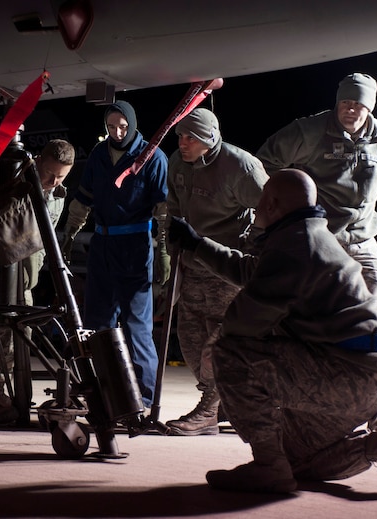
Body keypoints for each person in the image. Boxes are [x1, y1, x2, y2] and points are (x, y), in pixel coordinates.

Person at [168, 168, 377, 495]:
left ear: (273, 204)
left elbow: (244, 323)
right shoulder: (306, 235)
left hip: (346, 375)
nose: (256, 207)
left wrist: (215, 345)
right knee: (298, 461)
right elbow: (251, 271)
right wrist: (196, 244)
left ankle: (267, 467)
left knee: (231, 354)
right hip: (365, 375)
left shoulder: (295, 245)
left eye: (262, 199)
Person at [256, 73, 377, 429]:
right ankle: (292, 402)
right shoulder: (308, 131)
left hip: (363, 239)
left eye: (358, 104)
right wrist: (294, 208)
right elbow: (264, 165)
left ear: (370, 107)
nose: (350, 110)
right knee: (302, 315)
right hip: (323, 238)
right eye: (345, 103)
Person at [163, 107, 268, 436]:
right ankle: (222, 401)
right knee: (190, 337)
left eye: (190, 137)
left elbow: (270, 209)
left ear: (208, 139)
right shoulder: (178, 163)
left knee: (221, 344)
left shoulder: (241, 166)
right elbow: (174, 209)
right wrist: (171, 252)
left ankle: (210, 409)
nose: (183, 142)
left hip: (229, 268)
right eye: (180, 135)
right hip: (194, 264)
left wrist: (252, 252)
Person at [61, 100, 169, 408]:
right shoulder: (98, 155)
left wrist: (163, 250)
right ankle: (99, 394)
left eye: (123, 126)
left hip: (135, 247)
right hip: (102, 246)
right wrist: (69, 233)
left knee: (137, 326)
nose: (118, 132)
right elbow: (83, 198)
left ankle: (145, 400)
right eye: (111, 127)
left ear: (132, 124)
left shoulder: (153, 157)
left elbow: (163, 210)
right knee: (97, 323)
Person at [0, 139, 75, 426]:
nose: (52, 182)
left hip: (24, 270)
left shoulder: (58, 194)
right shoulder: (8, 177)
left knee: (19, 331)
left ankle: (10, 394)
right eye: (48, 174)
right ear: (37, 161)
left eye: (61, 176)